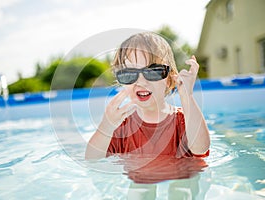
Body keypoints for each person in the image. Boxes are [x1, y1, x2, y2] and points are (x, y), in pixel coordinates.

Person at [85, 32, 210, 160]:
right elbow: (92, 159)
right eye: (129, 73)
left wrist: (187, 97)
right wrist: (106, 126)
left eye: (153, 72)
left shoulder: (185, 120)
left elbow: (201, 148)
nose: (141, 81)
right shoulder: (120, 128)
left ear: (169, 78)